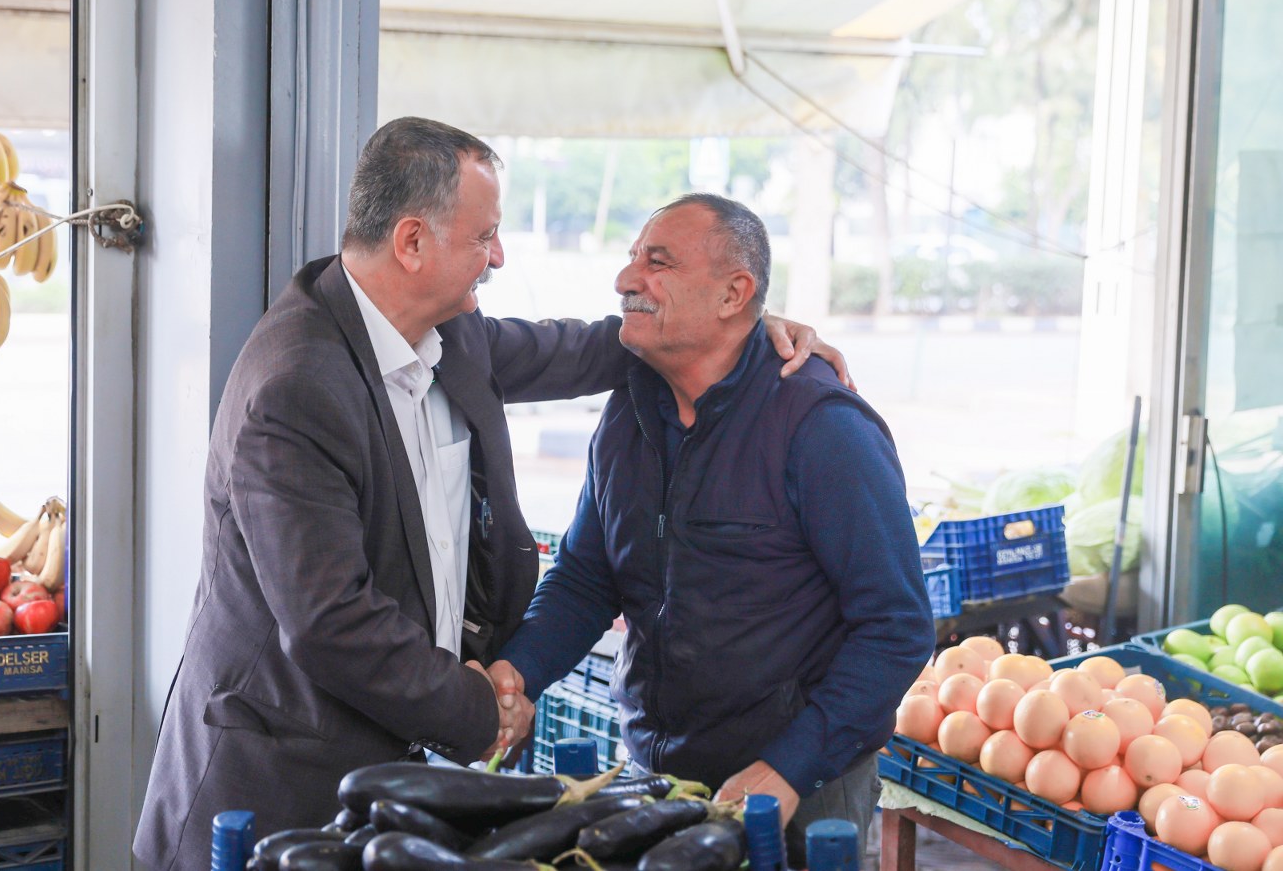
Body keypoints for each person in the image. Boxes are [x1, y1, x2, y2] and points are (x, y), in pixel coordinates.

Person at [132, 119, 849, 870]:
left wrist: (735, 323)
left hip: (386, 773)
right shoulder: (296, 387)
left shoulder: (449, 335)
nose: (499, 256)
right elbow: (329, 620)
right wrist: (480, 712)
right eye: (484, 237)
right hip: (273, 784)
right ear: (412, 242)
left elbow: (587, 347)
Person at [488, 194, 935, 867]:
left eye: (658, 262)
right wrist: (517, 672)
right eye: (633, 257)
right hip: (657, 772)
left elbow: (897, 627)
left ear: (734, 293)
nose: (626, 279)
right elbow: (587, 577)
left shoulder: (822, 426)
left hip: (800, 787)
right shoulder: (628, 409)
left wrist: (789, 767)